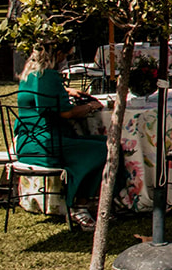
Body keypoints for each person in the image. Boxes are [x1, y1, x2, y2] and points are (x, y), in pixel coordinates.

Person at [15, 44, 110, 231]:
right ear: (57, 54)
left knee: (100, 143)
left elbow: (40, 94)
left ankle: (89, 201)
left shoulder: (31, 73)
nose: (66, 60)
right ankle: (80, 204)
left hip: (28, 142)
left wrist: (67, 91)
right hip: (45, 145)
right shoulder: (48, 76)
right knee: (105, 149)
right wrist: (92, 106)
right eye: (66, 55)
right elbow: (66, 114)